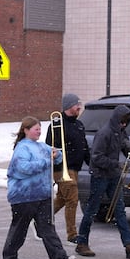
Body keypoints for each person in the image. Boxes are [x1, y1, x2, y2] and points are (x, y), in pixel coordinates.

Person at [73, 105, 130, 259]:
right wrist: (115, 164)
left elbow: (124, 147)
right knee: (92, 210)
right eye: (122, 121)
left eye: (126, 122)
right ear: (117, 119)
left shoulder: (120, 131)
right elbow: (96, 157)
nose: (124, 124)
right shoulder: (105, 133)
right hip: (100, 175)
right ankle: (81, 243)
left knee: (120, 210)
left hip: (114, 175)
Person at [2, 116, 77, 259]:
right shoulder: (22, 148)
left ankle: (59, 258)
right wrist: (47, 161)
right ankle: (9, 256)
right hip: (24, 196)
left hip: (43, 195)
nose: (39, 132)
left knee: (47, 227)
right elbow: (24, 168)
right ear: (26, 130)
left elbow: (57, 156)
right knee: (19, 228)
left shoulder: (42, 146)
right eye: (36, 129)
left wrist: (57, 155)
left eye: (40, 129)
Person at [45, 93, 90, 242]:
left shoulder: (79, 125)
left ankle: (42, 218)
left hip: (75, 169)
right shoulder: (57, 124)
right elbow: (49, 146)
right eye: (77, 105)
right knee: (72, 199)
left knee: (63, 199)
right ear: (70, 106)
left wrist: (91, 163)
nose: (80, 108)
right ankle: (72, 235)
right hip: (62, 169)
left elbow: (84, 147)